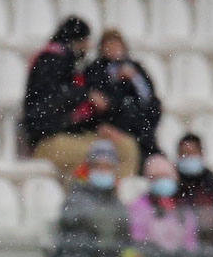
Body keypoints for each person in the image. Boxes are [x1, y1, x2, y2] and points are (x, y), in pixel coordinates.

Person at [23, 17, 139, 181]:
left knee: (127, 147)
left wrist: (97, 127)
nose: (88, 46)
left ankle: (117, 198)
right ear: (77, 41)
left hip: (71, 136)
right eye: (85, 40)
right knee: (101, 155)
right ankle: (94, 199)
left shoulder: (72, 65)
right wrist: (85, 94)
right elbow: (48, 110)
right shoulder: (49, 62)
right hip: (49, 141)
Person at [52, 139, 130, 257]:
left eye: (108, 167)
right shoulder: (76, 195)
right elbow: (72, 219)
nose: (103, 171)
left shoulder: (116, 201)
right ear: (89, 168)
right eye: (98, 166)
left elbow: (124, 226)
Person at [85, 29, 162, 161]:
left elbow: (148, 95)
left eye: (116, 45)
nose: (113, 49)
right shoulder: (95, 69)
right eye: (109, 45)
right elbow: (102, 99)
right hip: (113, 119)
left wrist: (134, 78)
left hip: (137, 118)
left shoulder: (134, 67)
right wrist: (116, 80)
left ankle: (149, 152)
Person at [175, 132, 213, 257]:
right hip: (178, 245)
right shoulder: (174, 180)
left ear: (201, 153)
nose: (188, 157)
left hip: (207, 243)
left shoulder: (211, 182)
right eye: (184, 153)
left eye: (192, 153)